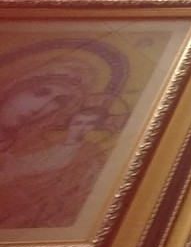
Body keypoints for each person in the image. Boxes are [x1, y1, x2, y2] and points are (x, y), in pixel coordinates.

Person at [0, 59, 112, 230]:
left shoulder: (28, 149)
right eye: (40, 93)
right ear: (16, 87)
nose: (41, 107)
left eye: (58, 102)